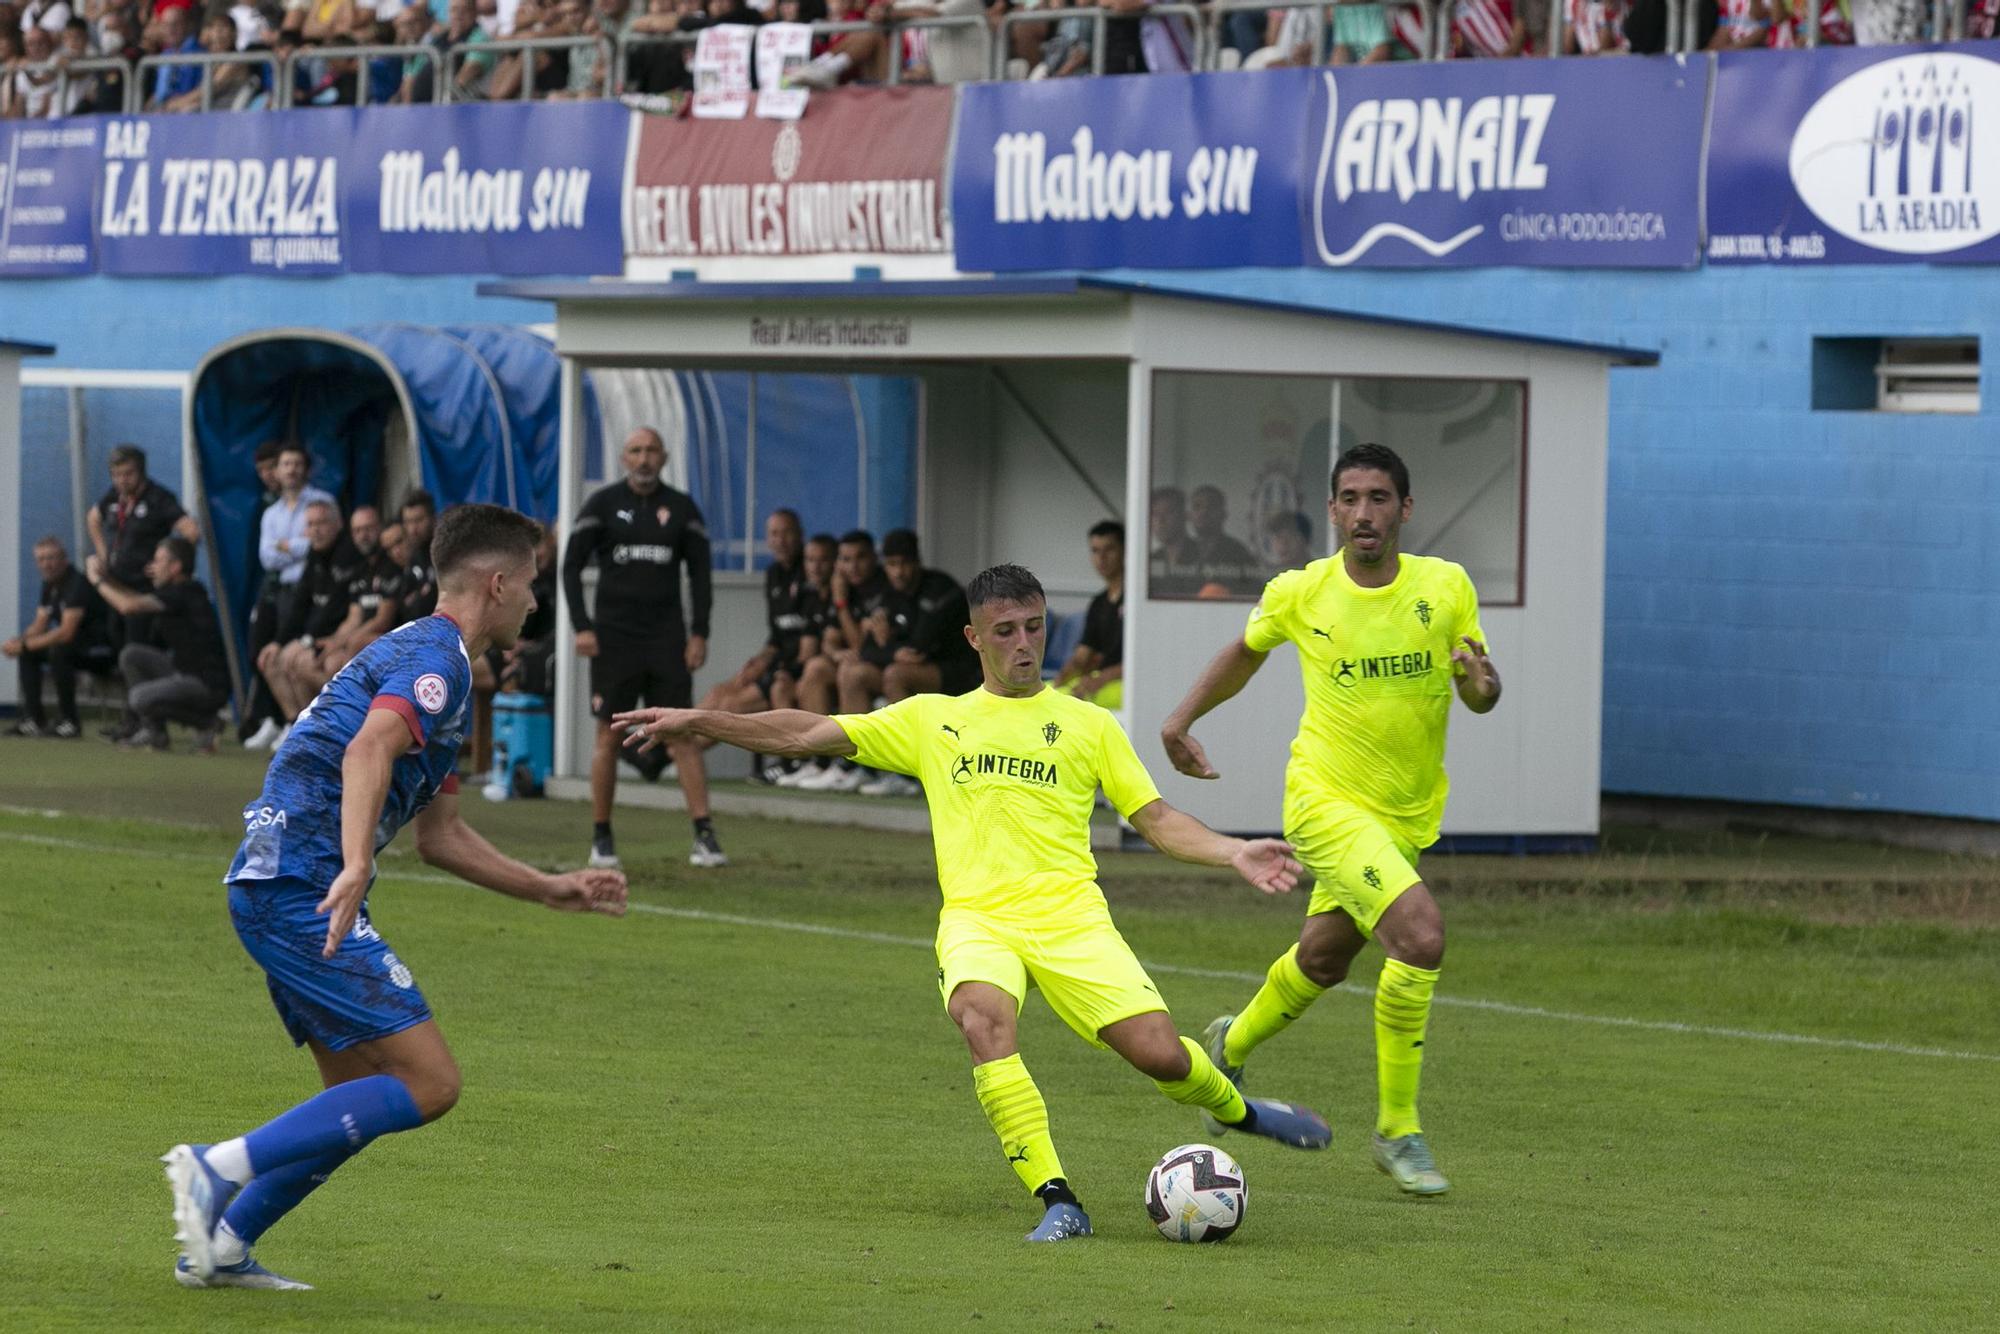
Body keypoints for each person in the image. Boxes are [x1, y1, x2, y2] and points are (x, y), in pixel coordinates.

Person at [617, 563, 1332, 1242]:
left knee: (1161, 1058)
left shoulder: (1089, 726)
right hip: (978, 919)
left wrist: (1234, 848)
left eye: (1034, 626)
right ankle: (1058, 1199)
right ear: (974, 638)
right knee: (982, 1019)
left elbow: (1156, 819)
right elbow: (807, 731)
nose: (1024, 644)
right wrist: (704, 720)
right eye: (1006, 631)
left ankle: (1237, 1113)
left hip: (1073, 920)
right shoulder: (933, 719)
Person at [160, 504, 628, 1292]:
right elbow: (369, 745)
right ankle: (215, 1167)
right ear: (500, 581)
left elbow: (441, 836)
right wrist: (352, 864)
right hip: (303, 887)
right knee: (431, 1084)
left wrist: (551, 889)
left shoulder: (431, 663)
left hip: (286, 884)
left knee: (357, 1097)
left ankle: (222, 1246)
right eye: (535, 585)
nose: (538, 603)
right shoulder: (436, 662)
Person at [1159, 442, 1502, 1198]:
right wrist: (1181, 718)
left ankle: (1229, 1044)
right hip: (1323, 803)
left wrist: (1484, 683)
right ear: (1333, 509)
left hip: (1405, 817)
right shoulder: (1302, 591)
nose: (1364, 513)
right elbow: (1245, 652)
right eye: (1350, 498)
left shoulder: (1445, 588)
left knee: (1322, 960)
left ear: (1405, 509)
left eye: (1379, 498)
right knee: (1420, 935)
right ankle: (1398, 1131)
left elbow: (1476, 689)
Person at [561, 427, 724, 871]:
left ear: (665, 456)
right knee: (607, 736)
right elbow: (570, 565)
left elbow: (701, 575)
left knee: (682, 733)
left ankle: (705, 835)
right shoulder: (601, 505)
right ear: (623, 458)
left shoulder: (683, 509)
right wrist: (582, 625)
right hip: (614, 640)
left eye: (651, 450)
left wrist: (699, 632)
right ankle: (601, 837)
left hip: (666, 639)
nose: (644, 458)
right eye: (635, 450)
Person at [846, 529, 980, 798]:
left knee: (896, 675)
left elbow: (919, 650)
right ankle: (864, 766)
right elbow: (866, 650)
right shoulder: (888, 593)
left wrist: (888, 645)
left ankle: (906, 774)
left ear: (917, 562)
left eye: (905, 564)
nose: (899, 572)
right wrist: (891, 649)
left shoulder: (941, 589)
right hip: (920, 669)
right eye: (892, 565)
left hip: (962, 673)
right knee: (854, 674)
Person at [87, 537, 232, 753]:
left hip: (206, 685)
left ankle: (206, 723)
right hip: (183, 671)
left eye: (158, 560)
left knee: (138, 698)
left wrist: (96, 580)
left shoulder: (186, 592)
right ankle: (155, 733)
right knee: (131, 655)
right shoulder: (173, 592)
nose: (151, 567)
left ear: (175, 567)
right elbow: (134, 598)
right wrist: (106, 577)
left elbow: (128, 606)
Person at [693, 509, 807, 785]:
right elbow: (777, 637)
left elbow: (808, 641)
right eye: (774, 534)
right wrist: (758, 661)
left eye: (787, 532)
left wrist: (777, 666)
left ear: (800, 535)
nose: (781, 540)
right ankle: (671, 749)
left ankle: (675, 751)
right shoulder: (774, 575)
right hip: (778, 662)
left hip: (795, 669)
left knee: (731, 704)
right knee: (720, 691)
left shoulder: (811, 572)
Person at [86, 443, 200, 650]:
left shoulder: (159, 498)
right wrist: (102, 553)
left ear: (141, 472)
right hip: (115, 582)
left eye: (128, 474)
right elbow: (93, 517)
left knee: (137, 647)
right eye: (116, 474)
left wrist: (175, 567)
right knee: (115, 638)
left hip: (142, 587)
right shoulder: (114, 495)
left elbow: (191, 531)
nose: (122, 480)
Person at [5, 536, 109, 739]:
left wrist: (25, 646)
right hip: (74, 646)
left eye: (51, 558)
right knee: (30, 653)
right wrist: (19, 642)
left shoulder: (76, 583)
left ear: (64, 559)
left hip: (100, 648)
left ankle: (70, 722)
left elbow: (66, 631)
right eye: (41, 559)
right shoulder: (49, 585)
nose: (47, 564)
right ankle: (33, 719)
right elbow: (39, 624)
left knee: (59, 651)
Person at [1051, 520, 1124, 710]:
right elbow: (1082, 657)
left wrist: (1101, 678)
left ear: (1125, 551)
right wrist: (1061, 678)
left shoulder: (1139, 602)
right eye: (1095, 551)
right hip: (1101, 680)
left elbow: (1145, 660)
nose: (1102, 557)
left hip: (1125, 683)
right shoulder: (1098, 603)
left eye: (1109, 549)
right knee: (1047, 693)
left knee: (1068, 702)